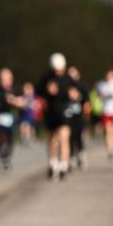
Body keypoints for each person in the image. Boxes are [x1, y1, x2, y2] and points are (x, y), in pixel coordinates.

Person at [38, 52, 73, 180]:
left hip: (64, 112)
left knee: (64, 138)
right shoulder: (46, 78)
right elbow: (39, 93)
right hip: (51, 113)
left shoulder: (68, 79)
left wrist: (74, 95)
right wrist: (47, 92)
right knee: (52, 138)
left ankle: (64, 165)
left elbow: (75, 92)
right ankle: (53, 163)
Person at [0, 68, 22, 171]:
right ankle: (3, 153)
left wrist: (14, 101)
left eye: (7, 78)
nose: (5, 80)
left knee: (9, 137)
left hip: (12, 116)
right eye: (2, 78)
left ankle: (8, 155)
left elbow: (22, 102)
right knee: (1, 137)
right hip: (0, 116)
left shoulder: (16, 89)